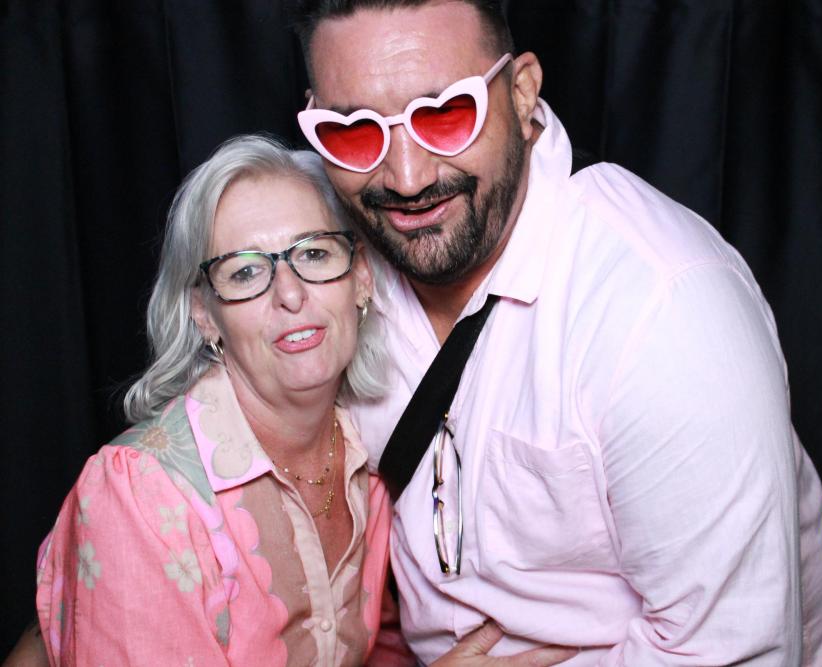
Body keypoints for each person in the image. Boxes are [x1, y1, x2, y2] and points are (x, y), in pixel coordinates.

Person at [289, 1, 822, 665]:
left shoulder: (662, 307)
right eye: (354, 132)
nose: (407, 178)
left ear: (522, 91)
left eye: (446, 115)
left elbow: (737, 652)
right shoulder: (313, 255)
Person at [24, 135, 573, 667]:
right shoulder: (138, 496)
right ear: (204, 314)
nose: (289, 294)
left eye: (313, 253)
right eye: (245, 271)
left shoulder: (369, 452)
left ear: (361, 278)